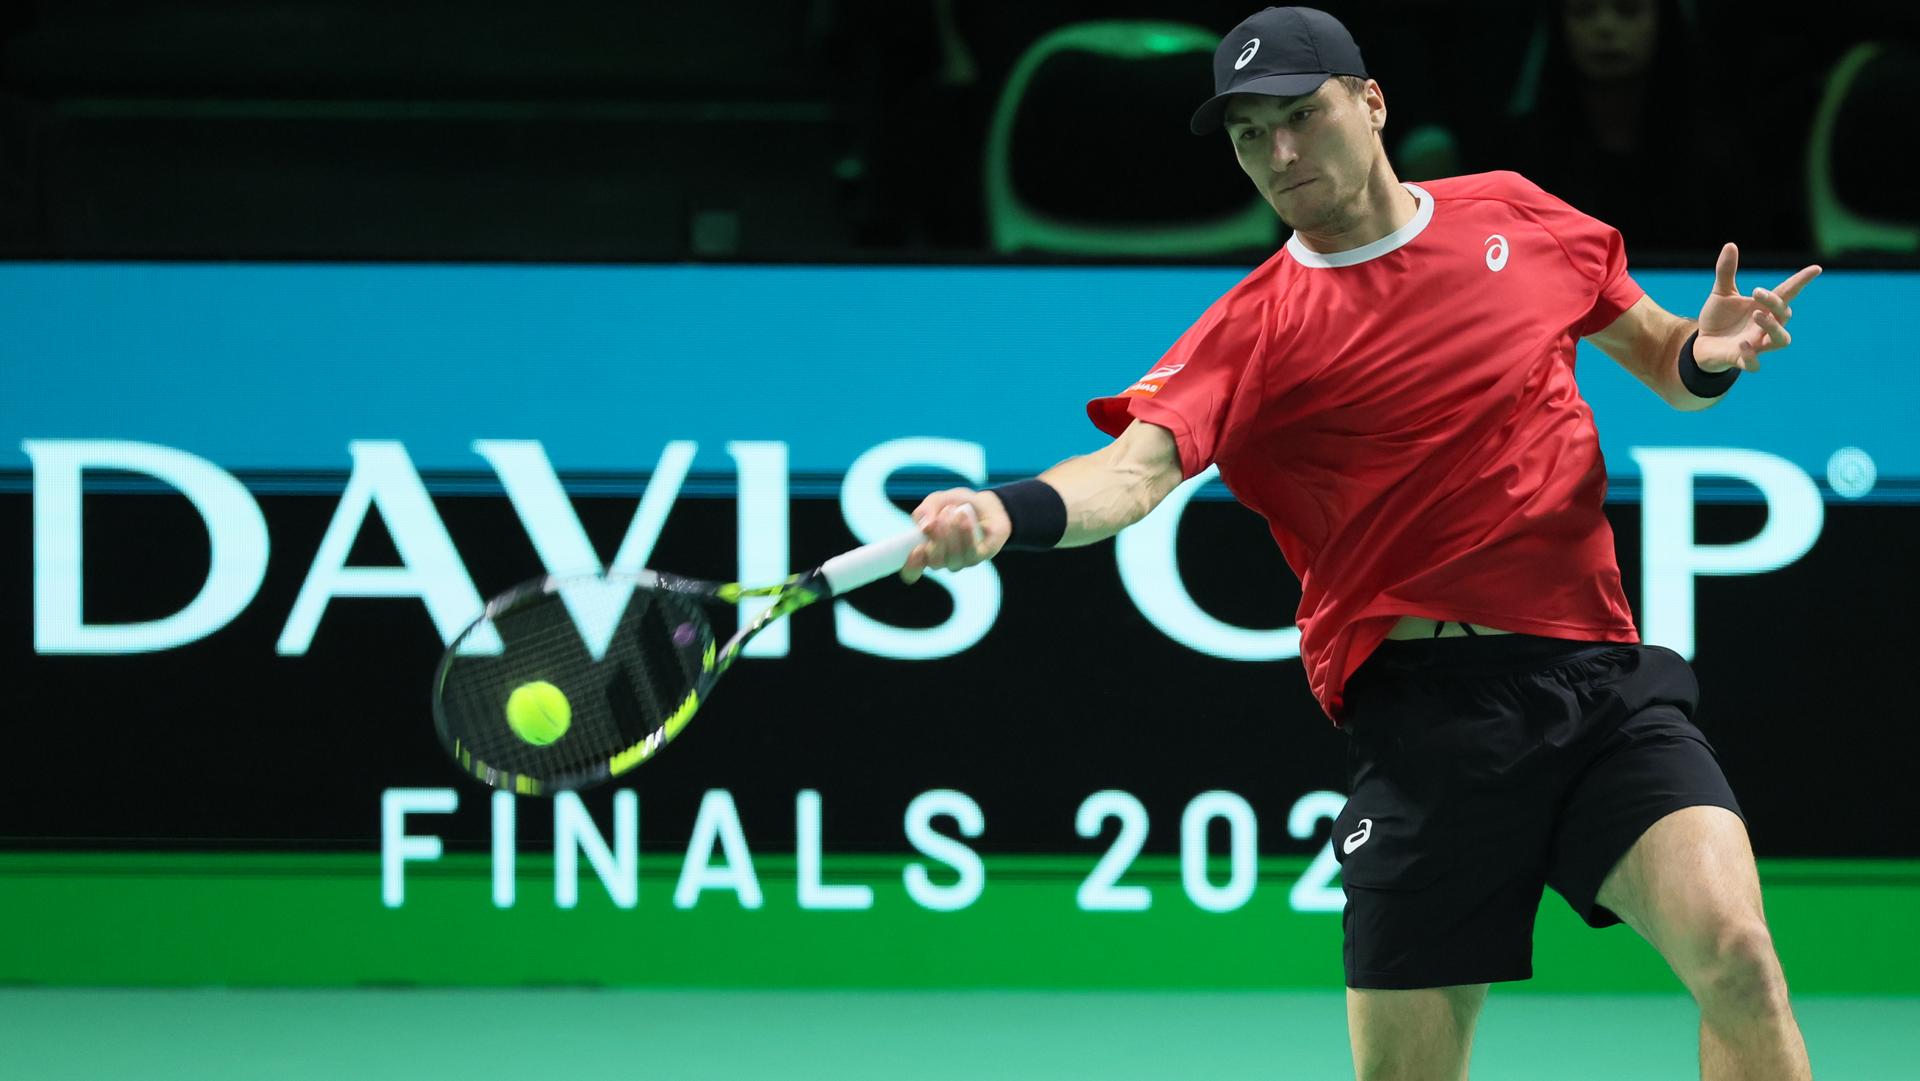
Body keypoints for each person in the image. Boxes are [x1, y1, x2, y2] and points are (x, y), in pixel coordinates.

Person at [901, 6, 1819, 1080]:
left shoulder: (1519, 217)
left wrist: (1709, 353)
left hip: (1596, 683)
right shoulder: (1253, 329)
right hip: (1423, 722)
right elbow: (1128, 474)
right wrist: (1003, 513)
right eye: (1252, 135)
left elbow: (1665, 359)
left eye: (1302, 115)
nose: (1281, 153)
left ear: (1370, 102)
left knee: (1740, 959)